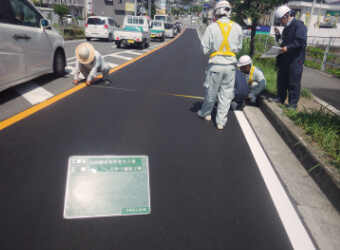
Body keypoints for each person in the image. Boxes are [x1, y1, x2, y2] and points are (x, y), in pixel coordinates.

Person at [197, 1, 243, 130]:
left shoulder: (212, 27)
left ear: (217, 12)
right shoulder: (237, 27)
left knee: (212, 92)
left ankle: (206, 113)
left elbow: (204, 48)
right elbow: (239, 47)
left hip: (216, 65)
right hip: (231, 66)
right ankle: (221, 122)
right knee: (226, 94)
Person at [273, 5, 307, 109]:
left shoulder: (299, 25)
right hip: (285, 58)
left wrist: (287, 48)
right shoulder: (287, 28)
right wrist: (278, 36)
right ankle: (280, 97)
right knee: (282, 78)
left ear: (287, 16)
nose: (280, 22)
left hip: (295, 59)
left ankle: (293, 103)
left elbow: (300, 42)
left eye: (280, 20)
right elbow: (284, 41)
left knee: (293, 81)